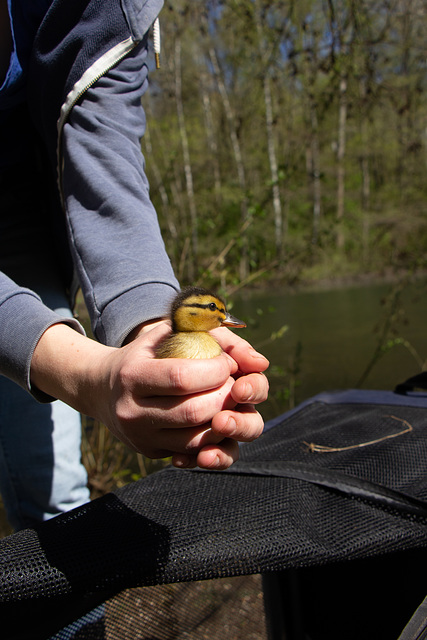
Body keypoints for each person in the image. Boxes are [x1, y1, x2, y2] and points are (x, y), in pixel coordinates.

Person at [0, 0, 269, 531]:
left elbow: (102, 138)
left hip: (23, 208)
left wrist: (144, 323)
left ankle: (73, 612)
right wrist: (86, 375)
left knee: (53, 490)